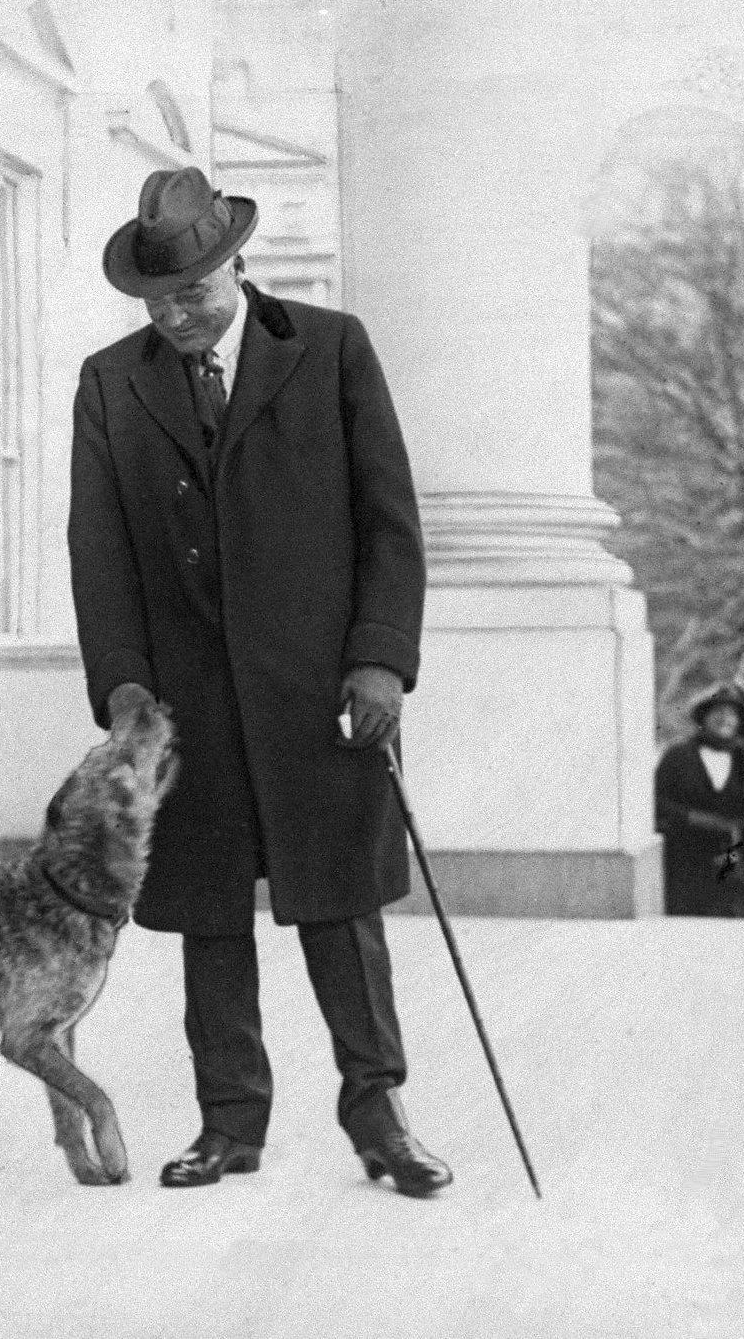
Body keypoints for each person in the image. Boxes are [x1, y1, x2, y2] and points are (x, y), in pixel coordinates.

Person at [67, 168, 448, 1196]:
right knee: (207, 917)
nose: (177, 315)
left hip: (321, 690)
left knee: (340, 906)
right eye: (157, 300)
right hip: (184, 704)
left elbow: (389, 520)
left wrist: (380, 656)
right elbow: (96, 551)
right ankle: (228, 1123)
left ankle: (378, 1117)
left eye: (193, 290)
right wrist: (123, 690)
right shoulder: (111, 382)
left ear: (236, 264)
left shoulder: (328, 350)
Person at [654, 685, 744, 918]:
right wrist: (691, 817)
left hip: (729, 857)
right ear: (704, 717)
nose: (725, 718)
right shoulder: (678, 755)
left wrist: (734, 828)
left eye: (732, 714)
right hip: (684, 856)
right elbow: (657, 800)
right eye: (719, 712)